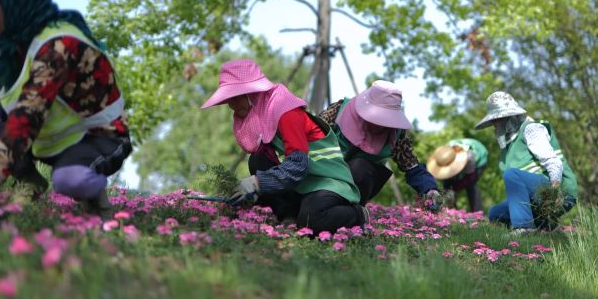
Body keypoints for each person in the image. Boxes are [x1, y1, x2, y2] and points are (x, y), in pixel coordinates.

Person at [0, 0, 132, 220]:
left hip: (98, 136)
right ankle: (27, 179)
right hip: (49, 142)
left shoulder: (59, 44)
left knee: (69, 180)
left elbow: (29, 113)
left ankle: (95, 197)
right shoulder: (1, 45)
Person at [200, 59, 367, 233]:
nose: (230, 105)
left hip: (328, 182)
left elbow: (297, 166)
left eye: (234, 97)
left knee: (312, 219)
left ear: (252, 93)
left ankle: (357, 215)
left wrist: (257, 183)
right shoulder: (266, 117)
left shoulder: (286, 111)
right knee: (258, 159)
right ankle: (288, 215)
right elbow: (269, 164)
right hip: (304, 184)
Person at [318, 80, 441, 209]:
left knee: (360, 166)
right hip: (323, 176)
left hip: (358, 185)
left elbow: (412, 167)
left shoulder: (395, 134)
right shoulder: (338, 112)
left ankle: (353, 212)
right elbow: (310, 139)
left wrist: (430, 190)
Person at [474, 91, 578, 235]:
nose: (495, 125)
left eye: (498, 120)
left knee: (511, 174)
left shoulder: (531, 129)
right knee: (495, 213)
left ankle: (524, 229)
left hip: (556, 191)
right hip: (536, 198)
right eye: (494, 121)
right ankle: (547, 226)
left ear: (510, 117)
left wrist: (554, 192)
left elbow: (554, 163)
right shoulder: (508, 147)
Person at [426, 138, 487, 212]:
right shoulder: (443, 154)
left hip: (478, 159)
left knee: (471, 186)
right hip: (457, 158)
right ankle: (450, 211)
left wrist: (455, 188)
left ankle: (477, 212)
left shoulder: (469, 157)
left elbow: (470, 177)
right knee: (448, 185)